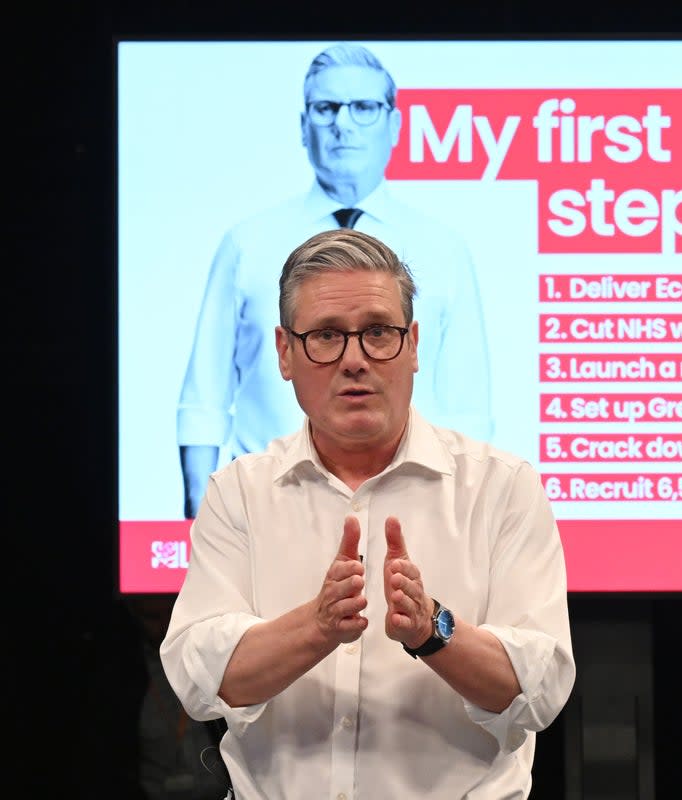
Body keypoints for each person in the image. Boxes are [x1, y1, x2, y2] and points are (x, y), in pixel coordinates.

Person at [160, 228, 575, 799]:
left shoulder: (501, 488)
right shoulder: (238, 492)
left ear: (413, 345)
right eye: (326, 336)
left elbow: (542, 688)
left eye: (378, 332)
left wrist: (435, 633)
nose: (355, 359)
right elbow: (198, 679)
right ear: (284, 352)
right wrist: (316, 627)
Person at [177, 41, 492, 518]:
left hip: (410, 516)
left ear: (394, 125)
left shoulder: (444, 248)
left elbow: (468, 403)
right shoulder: (247, 242)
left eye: (364, 107)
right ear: (304, 126)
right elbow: (206, 390)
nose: (343, 124)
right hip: (269, 513)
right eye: (326, 108)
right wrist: (204, 524)